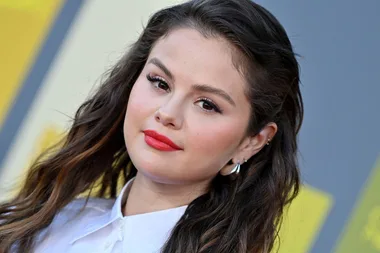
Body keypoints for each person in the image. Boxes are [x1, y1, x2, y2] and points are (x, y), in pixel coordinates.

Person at [0, 0, 303, 252]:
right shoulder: (33, 226)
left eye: (207, 104)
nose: (168, 113)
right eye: (160, 83)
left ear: (252, 140)